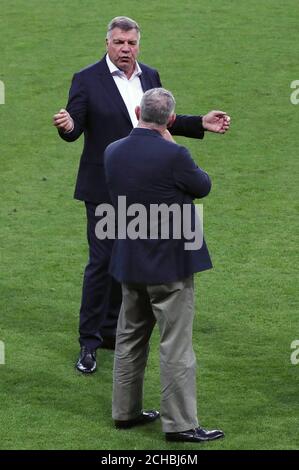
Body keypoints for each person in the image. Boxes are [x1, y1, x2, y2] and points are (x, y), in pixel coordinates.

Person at [53, 16, 230, 374]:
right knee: (102, 263)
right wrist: (69, 126)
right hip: (104, 188)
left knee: (126, 261)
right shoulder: (87, 80)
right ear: (107, 42)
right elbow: (75, 123)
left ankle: (110, 332)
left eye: (131, 43)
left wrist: (200, 123)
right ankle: (88, 343)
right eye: (119, 42)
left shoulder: (150, 75)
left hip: (144, 190)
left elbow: (160, 118)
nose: (125, 49)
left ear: (138, 45)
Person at [104, 88, 224, 443]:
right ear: (170, 119)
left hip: (129, 262)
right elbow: (202, 185)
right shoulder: (175, 155)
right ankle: (181, 424)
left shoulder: (112, 151)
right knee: (175, 345)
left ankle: (125, 413)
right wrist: (172, 145)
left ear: (139, 110)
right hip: (170, 265)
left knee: (129, 339)